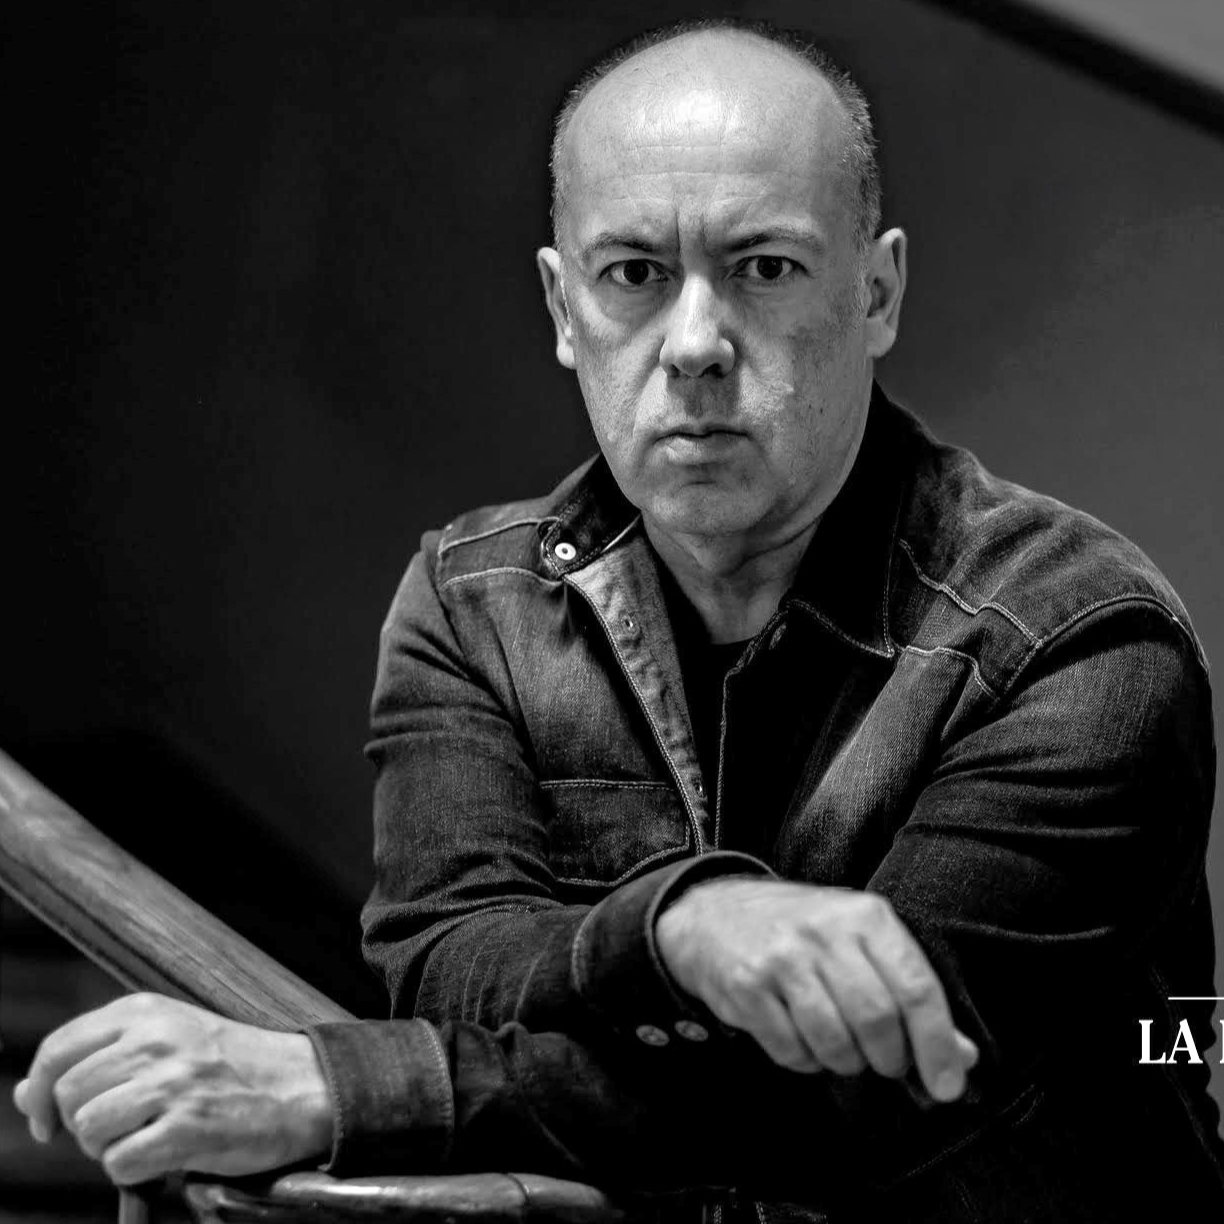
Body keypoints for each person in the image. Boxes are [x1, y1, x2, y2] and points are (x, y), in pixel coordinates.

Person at [12, 17, 1224, 1222]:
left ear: (877, 292)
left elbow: (865, 1096)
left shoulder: (1076, 641)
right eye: (634, 274)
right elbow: (452, 970)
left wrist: (345, 1089)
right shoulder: (475, 604)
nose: (694, 345)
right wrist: (683, 926)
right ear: (562, 305)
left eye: (765, 268)